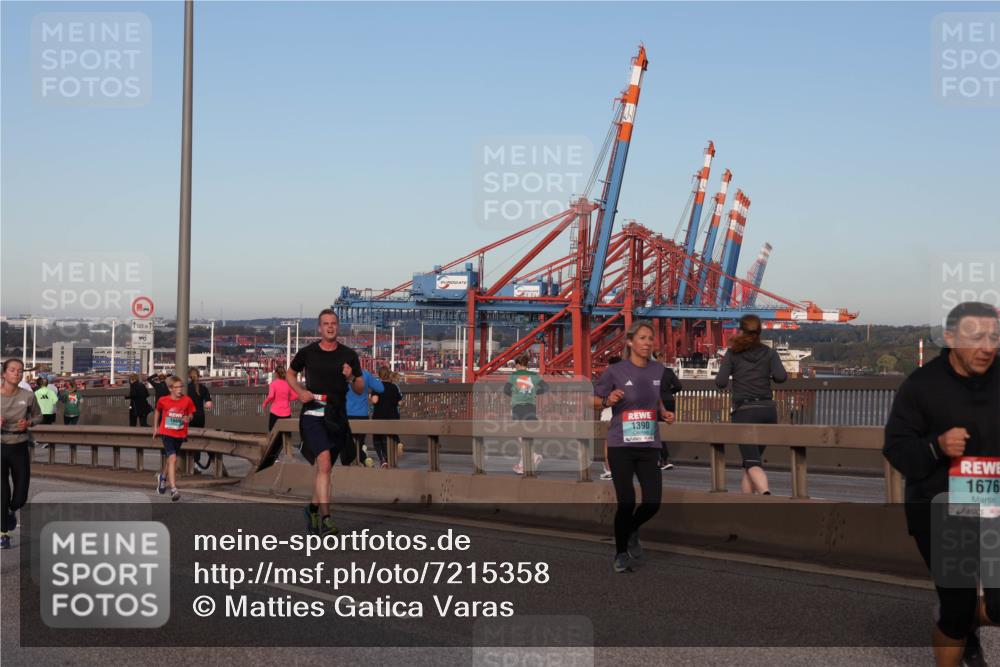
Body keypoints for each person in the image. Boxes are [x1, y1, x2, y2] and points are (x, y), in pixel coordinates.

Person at [884, 302, 999, 667]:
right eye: (976, 337)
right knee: (957, 607)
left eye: (994, 337)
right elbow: (897, 448)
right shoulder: (921, 386)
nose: (986, 347)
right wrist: (937, 446)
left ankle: (963, 623)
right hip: (940, 507)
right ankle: (958, 625)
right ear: (949, 338)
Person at [593, 322, 674, 573]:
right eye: (642, 338)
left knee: (652, 503)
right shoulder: (615, 371)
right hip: (621, 445)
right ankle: (620, 553)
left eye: (651, 338)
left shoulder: (659, 370)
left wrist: (663, 412)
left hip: (649, 444)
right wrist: (607, 400)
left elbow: (655, 396)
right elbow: (594, 401)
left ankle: (631, 529)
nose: (648, 342)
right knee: (626, 503)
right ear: (630, 342)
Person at [286, 309, 365, 536]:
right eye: (325, 324)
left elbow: (360, 389)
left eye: (333, 323)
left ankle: (312, 508)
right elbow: (290, 374)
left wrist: (351, 377)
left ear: (337, 327)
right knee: (324, 460)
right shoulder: (307, 353)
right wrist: (300, 392)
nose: (330, 327)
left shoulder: (349, 355)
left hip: (337, 415)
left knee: (325, 469)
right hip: (313, 413)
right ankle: (327, 519)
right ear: (319, 328)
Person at [714, 314, 787, 495]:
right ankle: (747, 507)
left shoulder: (733, 354)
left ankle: (765, 493)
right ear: (759, 332)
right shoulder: (770, 353)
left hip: (745, 412)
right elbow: (781, 377)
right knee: (749, 463)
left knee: (753, 462)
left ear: (740, 331)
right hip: (768, 412)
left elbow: (721, 382)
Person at [1, 360, 41, 549]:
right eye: (12, 370)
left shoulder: (28, 396)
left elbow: (38, 416)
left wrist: (29, 423)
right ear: (4, 374)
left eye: (20, 371)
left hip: (19, 445)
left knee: (20, 496)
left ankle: (11, 510)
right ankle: (3, 534)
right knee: (2, 493)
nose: (16, 374)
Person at [152, 375, 196, 502]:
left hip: (180, 434)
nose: (180, 390)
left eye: (181, 387)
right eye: (177, 387)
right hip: (166, 433)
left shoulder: (187, 400)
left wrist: (189, 418)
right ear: (170, 388)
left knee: (170, 460)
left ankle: (162, 477)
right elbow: (157, 411)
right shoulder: (163, 400)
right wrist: (155, 428)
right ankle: (174, 489)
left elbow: (191, 414)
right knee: (173, 458)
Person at [503, 353, 548, 475]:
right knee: (527, 435)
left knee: (520, 435)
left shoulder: (514, 376)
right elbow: (545, 387)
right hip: (531, 407)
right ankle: (523, 464)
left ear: (518, 364)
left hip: (518, 406)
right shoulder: (534, 375)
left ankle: (533, 456)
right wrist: (533, 392)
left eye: (515, 366)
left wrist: (516, 393)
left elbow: (506, 390)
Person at [345, 367, 383, 467]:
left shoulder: (343, 374)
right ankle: (364, 460)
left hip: (346, 414)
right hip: (362, 415)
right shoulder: (366, 374)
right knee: (360, 443)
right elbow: (381, 388)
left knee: (346, 443)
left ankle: (350, 468)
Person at [653, 352, 683, 471]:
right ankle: (663, 458)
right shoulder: (669, 371)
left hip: (657, 402)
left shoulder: (651, 372)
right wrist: (669, 393)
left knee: (657, 431)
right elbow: (679, 386)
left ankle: (664, 459)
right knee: (665, 429)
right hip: (670, 401)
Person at [371, 366, 403, 468]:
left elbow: (375, 400)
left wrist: (371, 397)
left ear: (379, 375)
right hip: (393, 416)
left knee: (378, 439)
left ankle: (383, 459)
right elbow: (400, 402)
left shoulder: (377, 386)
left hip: (379, 416)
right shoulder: (394, 387)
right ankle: (397, 444)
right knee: (390, 437)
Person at [599, 355, 622, 481]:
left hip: (609, 411)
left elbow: (600, 394)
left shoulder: (608, 376)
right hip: (623, 412)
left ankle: (609, 468)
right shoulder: (626, 376)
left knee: (608, 442)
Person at [187, 369, 214, 470]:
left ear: (189, 376)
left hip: (189, 416)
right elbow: (208, 404)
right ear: (199, 376)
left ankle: (187, 461)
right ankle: (195, 463)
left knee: (188, 438)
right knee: (198, 438)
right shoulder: (203, 388)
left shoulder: (186, 388)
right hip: (200, 416)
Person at [262, 365, 298, 432]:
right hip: (286, 413)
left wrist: (265, 403)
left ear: (276, 374)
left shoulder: (273, 384)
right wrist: (287, 399)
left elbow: (271, 396)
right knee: (286, 433)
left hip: (275, 413)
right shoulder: (288, 384)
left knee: (273, 433)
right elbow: (296, 396)